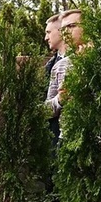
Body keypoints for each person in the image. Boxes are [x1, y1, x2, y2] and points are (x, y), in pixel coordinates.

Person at [45, 10, 84, 130]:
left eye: (71, 26)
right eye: (63, 29)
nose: (66, 32)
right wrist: (59, 100)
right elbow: (45, 109)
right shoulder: (59, 66)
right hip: (67, 136)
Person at [43, 14, 64, 142]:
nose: (46, 38)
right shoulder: (50, 66)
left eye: (49, 32)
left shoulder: (81, 61)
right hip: (52, 136)